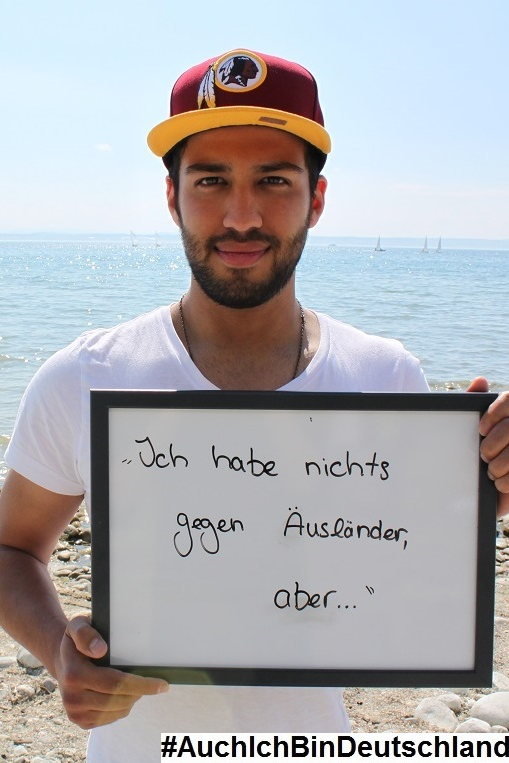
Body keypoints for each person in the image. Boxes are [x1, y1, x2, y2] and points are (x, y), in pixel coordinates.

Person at [0, 47, 508, 762]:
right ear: (172, 197)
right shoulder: (84, 376)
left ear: (316, 199)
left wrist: (483, 496)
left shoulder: (385, 376)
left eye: (273, 180)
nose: (242, 216)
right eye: (211, 180)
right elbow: (12, 547)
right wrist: (60, 650)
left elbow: (402, 563)